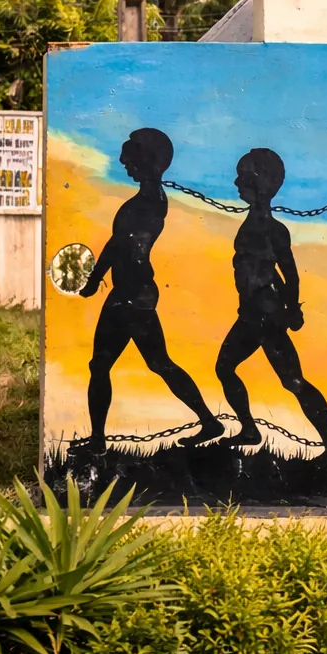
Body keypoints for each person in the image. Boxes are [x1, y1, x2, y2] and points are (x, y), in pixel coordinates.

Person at [78, 128, 223, 454]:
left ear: (147, 160)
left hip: (131, 295)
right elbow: (118, 244)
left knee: (121, 364)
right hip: (132, 293)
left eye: (131, 156)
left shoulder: (148, 203)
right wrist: (98, 277)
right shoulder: (149, 200)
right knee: (145, 363)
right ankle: (207, 421)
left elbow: (121, 246)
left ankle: (98, 442)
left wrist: (94, 278)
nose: (124, 162)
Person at [214, 148, 327, 455]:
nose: (236, 182)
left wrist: (291, 309)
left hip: (263, 316)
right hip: (254, 313)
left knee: (292, 381)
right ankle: (251, 430)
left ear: (262, 184)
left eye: (244, 176)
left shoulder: (271, 230)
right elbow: (276, 274)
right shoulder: (260, 226)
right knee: (234, 369)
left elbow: (290, 275)